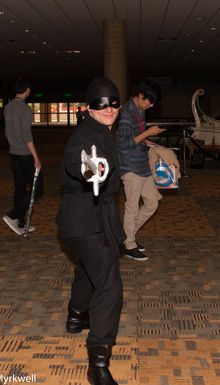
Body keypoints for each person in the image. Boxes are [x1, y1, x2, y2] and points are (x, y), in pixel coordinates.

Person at [56, 77, 125, 385]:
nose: (107, 108)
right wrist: (90, 170)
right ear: (88, 108)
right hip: (85, 219)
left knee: (88, 268)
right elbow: (80, 161)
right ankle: (98, 362)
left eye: (112, 103)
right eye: (100, 104)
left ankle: (75, 316)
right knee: (110, 283)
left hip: (82, 221)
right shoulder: (88, 133)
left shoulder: (104, 131)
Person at [117, 80, 166, 261]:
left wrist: (149, 141)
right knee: (132, 206)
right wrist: (147, 133)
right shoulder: (126, 114)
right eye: (149, 101)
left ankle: (127, 236)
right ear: (140, 95)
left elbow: (136, 138)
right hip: (129, 166)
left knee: (152, 202)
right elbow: (123, 145)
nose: (151, 105)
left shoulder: (140, 110)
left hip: (142, 165)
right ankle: (129, 243)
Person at [2, 76, 43, 235]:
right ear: (27, 91)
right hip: (25, 154)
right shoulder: (25, 109)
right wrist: (36, 158)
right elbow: (27, 136)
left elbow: (6, 132)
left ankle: (20, 222)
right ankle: (12, 214)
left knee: (19, 188)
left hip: (13, 153)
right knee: (38, 189)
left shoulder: (7, 107)